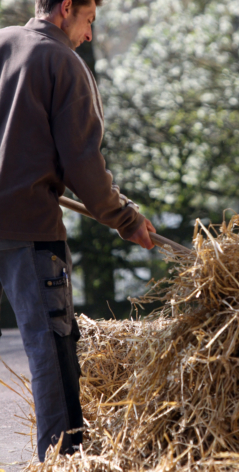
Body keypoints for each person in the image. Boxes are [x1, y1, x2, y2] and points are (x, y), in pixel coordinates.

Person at [0, 0, 156, 462]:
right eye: (89, 20)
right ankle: (64, 461)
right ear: (67, 8)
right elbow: (84, 165)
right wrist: (125, 218)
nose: (89, 35)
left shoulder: (2, 43)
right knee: (52, 350)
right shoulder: (62, 63)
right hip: (28, 230)